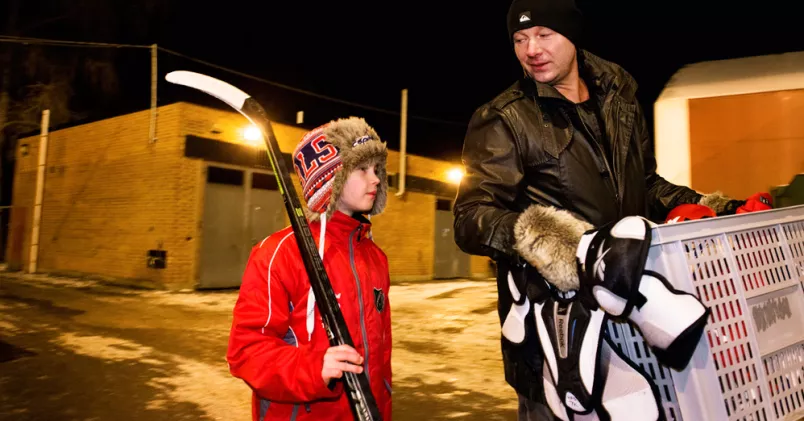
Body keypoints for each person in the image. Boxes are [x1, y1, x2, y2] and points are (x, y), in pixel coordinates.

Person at [452, 0, 747, 419]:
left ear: (572, 35)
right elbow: (470, 218)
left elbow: (645, 184)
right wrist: (558, 243)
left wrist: (711, 207)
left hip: (628, 321)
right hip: (554, 337)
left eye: (543, 34)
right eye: (519, 39)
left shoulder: (619, 100)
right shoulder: (504, 117)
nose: (530, 49)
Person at [227, 117, 393, 421]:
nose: (376, 179)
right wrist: (313, 368)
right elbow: (246, 351)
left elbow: (381, 355)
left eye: (377, 169)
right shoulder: (280, 254)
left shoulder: (375, 257)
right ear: (332, 179)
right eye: (362, 169)